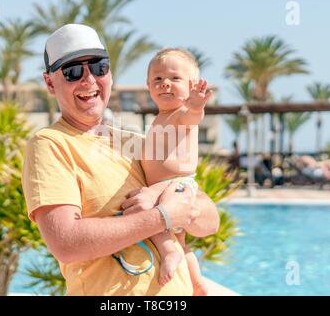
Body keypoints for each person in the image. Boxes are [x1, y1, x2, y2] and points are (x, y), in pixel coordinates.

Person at [21, 24, 219, 296]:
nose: (89, 80)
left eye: (98, 67)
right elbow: (66, 243)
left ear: (109, 74)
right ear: (50, 83)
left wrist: (175, 203)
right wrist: (163, 216)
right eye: (72, 72)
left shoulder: (137, 143)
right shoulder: (50, 144)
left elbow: (211, 220)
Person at [138, 48, 211, 295]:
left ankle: (168, 252)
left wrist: (196, 105)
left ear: (191, 86)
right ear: (149, 86)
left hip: (178, 186)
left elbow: (193, 116)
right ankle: (197, 282)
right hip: (166, 188)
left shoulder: (181, 114)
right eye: (157, 79)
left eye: (174, 78)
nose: (165, 83)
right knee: (180, 240)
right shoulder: (159, 119)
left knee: (150, 212)